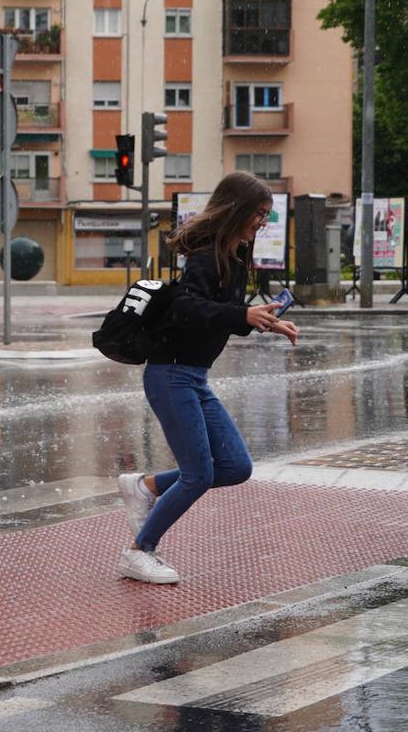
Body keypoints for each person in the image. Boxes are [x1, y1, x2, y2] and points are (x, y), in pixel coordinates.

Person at [116, 171, 299, 584]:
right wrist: (243, 315)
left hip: (193, 376)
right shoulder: (204, 257)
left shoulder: (234, 260)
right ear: (237, 210)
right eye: (258, 214)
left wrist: (264, 321)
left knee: (234, 466)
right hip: (170, 374)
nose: (261, 224)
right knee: (198, 474)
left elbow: (221, 318)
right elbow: (188, 310)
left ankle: (144, 487)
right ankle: (137, 552)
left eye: (266, 216)